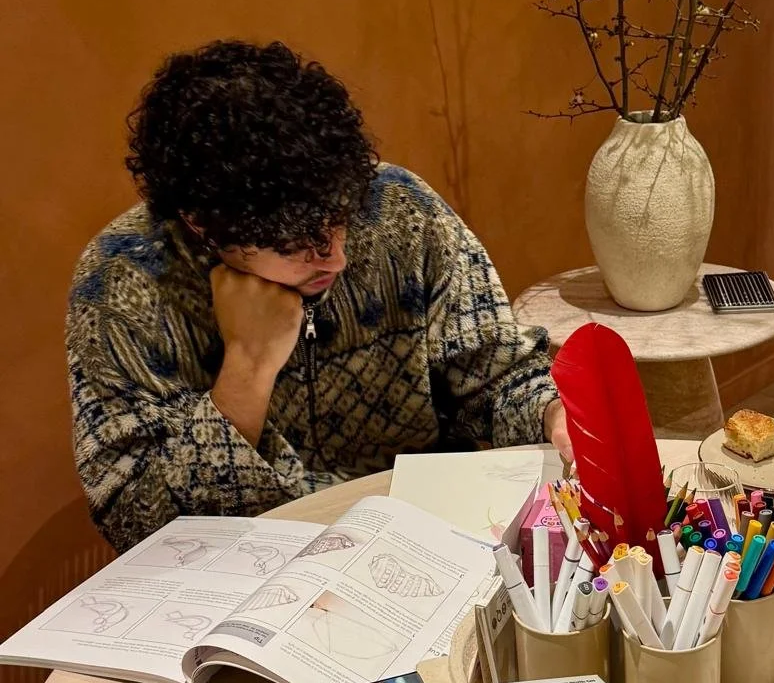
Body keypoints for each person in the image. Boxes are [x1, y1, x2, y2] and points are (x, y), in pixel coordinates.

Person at [68, 40, 570, 552]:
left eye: (340, 223)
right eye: (296, 245)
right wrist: (246, 368)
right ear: (203, 226)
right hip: (239, 566)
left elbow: (495, 374)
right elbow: (133, 519)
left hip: (419, 538)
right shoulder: (123, 283)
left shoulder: (402, 212)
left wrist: (552, 414)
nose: (335, 258)